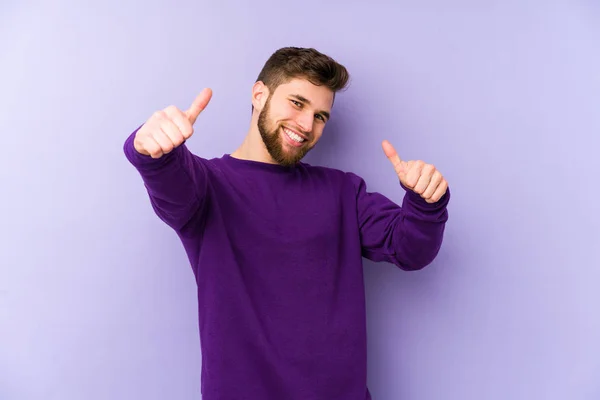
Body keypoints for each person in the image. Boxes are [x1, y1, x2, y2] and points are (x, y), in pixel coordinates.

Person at [123, 46, 450, 400]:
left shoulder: (342, 191)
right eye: (297, 103)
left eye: (321, 116)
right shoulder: (207, 186)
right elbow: (170, 180)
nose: (307, 126)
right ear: (259, 94)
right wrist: (150, 149)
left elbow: (409, 248)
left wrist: (426, 203)